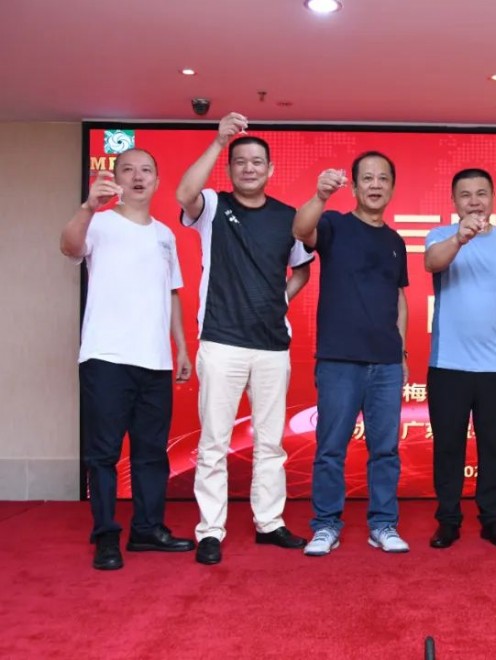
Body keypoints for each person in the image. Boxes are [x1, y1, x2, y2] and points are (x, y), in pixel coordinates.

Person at [176, 113, 313, 565]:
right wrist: (218, 142)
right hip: (222, 341)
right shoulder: (212, 206)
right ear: (230, 168)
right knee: (214, 443)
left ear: (270, 169)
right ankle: (210, 530)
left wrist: (279, 300)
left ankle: (269, 523)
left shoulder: (288, 217)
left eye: (257, 162)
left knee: (270, 444)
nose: (249, 168)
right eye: (240, 162)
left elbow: (302, 268)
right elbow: (184, 194)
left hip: (272, 346)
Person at [60, 148, 195, 570]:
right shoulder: (99, 222)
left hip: (154, 361)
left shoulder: (165, 234)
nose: (138, 177)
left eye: (146, 170)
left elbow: (172, 293)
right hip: (106, 357)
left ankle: (147, 530)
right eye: (128, 170)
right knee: (103, 452)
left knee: (151, 452)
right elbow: (69, 247)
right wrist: (87, 206)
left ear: (157, 180)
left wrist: (181, 347)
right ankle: (105, 536)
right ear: (115, 178)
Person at [293, 151, 410, 555]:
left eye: (383, 178)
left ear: (392, 187)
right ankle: (326, 525)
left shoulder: (395, 241)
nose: (375, 185)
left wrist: (402, 351)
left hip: (386, 363)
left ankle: (383, 524)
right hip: (339, 360)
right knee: (330, 449)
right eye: (367, 178)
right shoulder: (334, 224)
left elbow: (399, 298)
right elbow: (300, 229)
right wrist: (320, 196)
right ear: (356, 186)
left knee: (385, 450)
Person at [423, 168, 496, 549]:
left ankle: (491, 518)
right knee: (448, 446)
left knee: (494, 446)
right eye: (465, 195)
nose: (474, 201)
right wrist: (460, 237)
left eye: (481, 193)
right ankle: (448, 520)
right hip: (448, 365)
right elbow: (432, 263)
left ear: (493, 197)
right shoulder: (440, 236)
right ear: (454, 201)